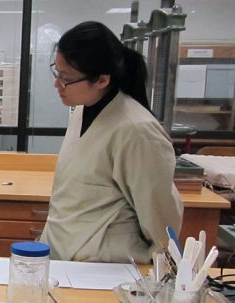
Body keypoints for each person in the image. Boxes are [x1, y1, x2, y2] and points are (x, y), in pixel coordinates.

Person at [39, 21, 183, 263]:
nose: (58, 85)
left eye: (66, 79)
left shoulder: (136, 130)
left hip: (105, 264)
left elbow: (160, 220)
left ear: (102, 80)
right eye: (57, 73)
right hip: (63, 254)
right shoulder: (82, 112)